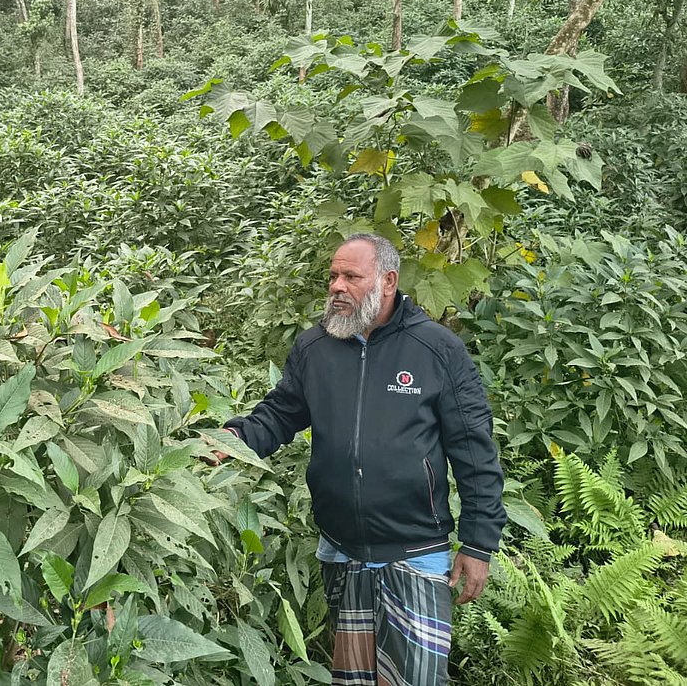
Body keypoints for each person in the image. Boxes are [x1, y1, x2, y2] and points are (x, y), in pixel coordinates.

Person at [214, 233, 505, 686]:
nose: (336, 286)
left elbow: (474, 451)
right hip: (341, 550)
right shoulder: (316, 348)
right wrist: (232, 439)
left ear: (387, 281)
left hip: (416, 552)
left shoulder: (437, 350)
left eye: (351, 276)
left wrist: (478, 542)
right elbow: (280, 414)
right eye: (333, 275)